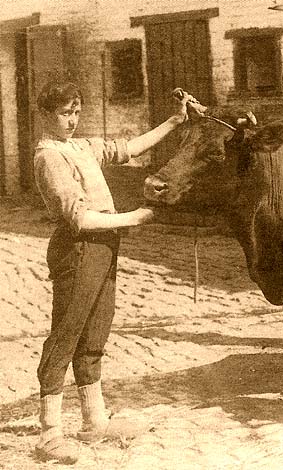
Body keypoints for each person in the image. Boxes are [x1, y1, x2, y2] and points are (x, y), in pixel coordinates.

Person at [33, 81, 191, 464]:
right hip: (78, 248)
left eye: (76, 111)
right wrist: (135, 217)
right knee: (67, 334)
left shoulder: (81, 147)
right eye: (64, 113)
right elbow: (78, 217)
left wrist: (174, 121)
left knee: (95, 332)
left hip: (104, 246)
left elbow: (129, 148)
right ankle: (49, 432)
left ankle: (94, 422)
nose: (71, 120)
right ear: (45, 115)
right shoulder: (49, 156)